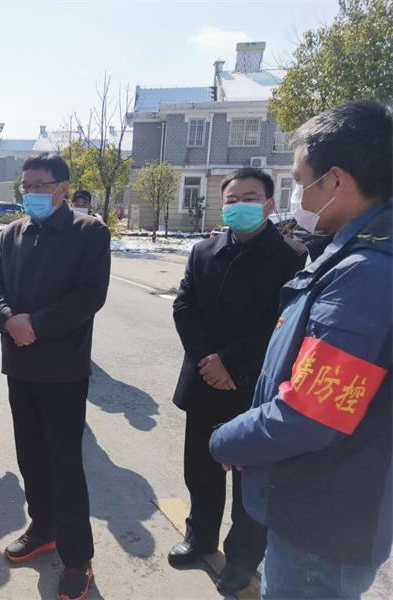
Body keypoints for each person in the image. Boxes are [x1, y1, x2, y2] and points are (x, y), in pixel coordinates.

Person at [210, 101, 392, 599]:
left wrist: (228, 441)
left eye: (298, 180)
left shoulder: (364, 275)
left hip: (323, 518)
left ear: (336, 181)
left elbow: (312, 413)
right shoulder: (353, 255)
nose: (296, 194)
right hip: (325, 502)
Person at [168, 167, 307, 593]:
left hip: (255, 386)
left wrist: (229, 362)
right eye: (231, 199)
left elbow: (282, 322)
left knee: (250, 479)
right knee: (201, 469)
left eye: (250, 198)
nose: (239, 206)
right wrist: (207, 360)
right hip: (204, 382)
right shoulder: (204, 251)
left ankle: (243, 560)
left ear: (269, 204)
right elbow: (184, 307)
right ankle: (200, 537)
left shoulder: (292, 257)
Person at [0, 153, 110, 600]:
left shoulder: (88, 232)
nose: (32, 193)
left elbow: (89, 296)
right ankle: (43, 528)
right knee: (31, 454)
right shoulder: (12, 234)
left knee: (65, 462)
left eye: (41, 184)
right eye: (27, 186)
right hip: (19, 365)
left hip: (63, 368)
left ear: (62, 187)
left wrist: (34, 325)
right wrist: (7, 319)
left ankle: (77, 558)